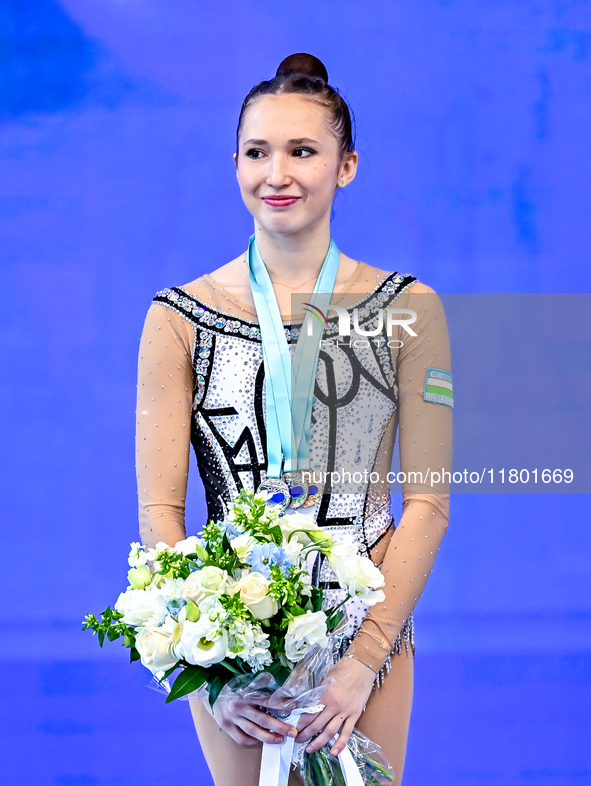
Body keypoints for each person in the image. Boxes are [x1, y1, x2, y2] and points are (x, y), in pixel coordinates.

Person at [135, 53, 452, 786]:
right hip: (236, 643)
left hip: (366, 634)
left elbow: (429, 505)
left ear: (346, 166)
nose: (275, 174)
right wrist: (204, 655)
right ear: (235, 163)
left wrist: (362, 660)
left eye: (302, 151)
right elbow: (160, 508)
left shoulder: (410, 309)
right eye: (256, 152)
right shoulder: (177, 318)